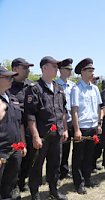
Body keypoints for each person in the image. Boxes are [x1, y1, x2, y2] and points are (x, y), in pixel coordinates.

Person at [25, 56, 68, 200]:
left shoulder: (59, 88)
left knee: (55, 164)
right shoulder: (34, 89)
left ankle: (53, 190)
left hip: (57, 135)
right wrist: (36, 136)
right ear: (44, 68)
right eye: (54, 66)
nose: (57, 69)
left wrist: (65, 129)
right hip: (42, 136)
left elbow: (62, 111)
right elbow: (30, 115)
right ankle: (35, 194)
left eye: (57, 66)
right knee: (37, 166)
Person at [71, 58, 102, 194]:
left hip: (93, 126)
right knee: (78, 156)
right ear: (82, 72)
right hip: (82, 127)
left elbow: (98, 107)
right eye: (89, 70)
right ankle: (79, 183)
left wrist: (99, 123)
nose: (92, 73)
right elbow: (74, 111)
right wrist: (76, 129)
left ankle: (87, 178)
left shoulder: (95, 88)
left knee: (90, 155)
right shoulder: (76, 89)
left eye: (93, 70)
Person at [0, 66, 26, 200]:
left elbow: (19, 123)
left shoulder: (13, 98)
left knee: (10, 183)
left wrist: (23, 143)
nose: (12, 79)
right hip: (1, 151)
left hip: (15, 148)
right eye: (8, 77)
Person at [9, 58, 34, 195]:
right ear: (15, 69)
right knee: (16, 159)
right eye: (24, 68)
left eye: (28, 68)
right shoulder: (7, 86)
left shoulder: (30, 86)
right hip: (14, 128)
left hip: (29, 128)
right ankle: (14, 184)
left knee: (29, 157)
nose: (28, 71)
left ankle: (22, 180)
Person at [55, 58, 75, 180]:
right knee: (59, 150)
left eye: (70, 69)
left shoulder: (73, 86)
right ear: (60, 70)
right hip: (60, 121)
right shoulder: (55, 85)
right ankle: (56, 173)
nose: (69, 71)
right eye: (67, 69)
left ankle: (65, 170)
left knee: (68, 148)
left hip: (71, 120)